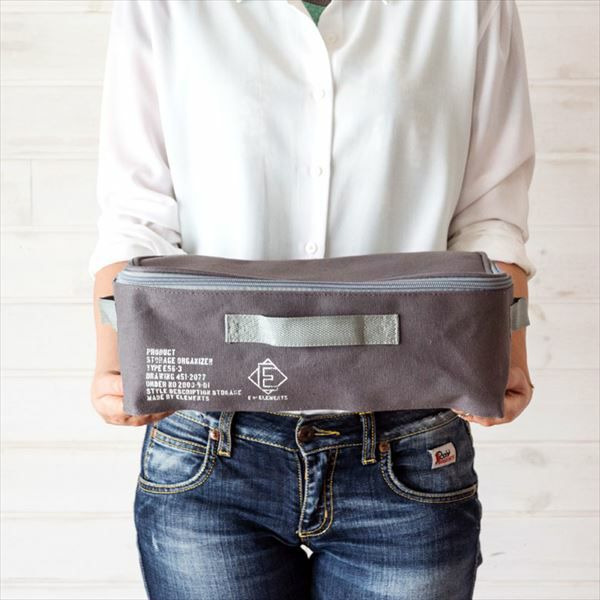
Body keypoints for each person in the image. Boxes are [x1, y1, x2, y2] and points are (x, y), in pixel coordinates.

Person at [88, 1, 536, 598]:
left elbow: (491, 209)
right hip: (206, 433)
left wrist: (507, 348)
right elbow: (136, 208)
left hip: (407, 435)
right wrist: (114, 361)